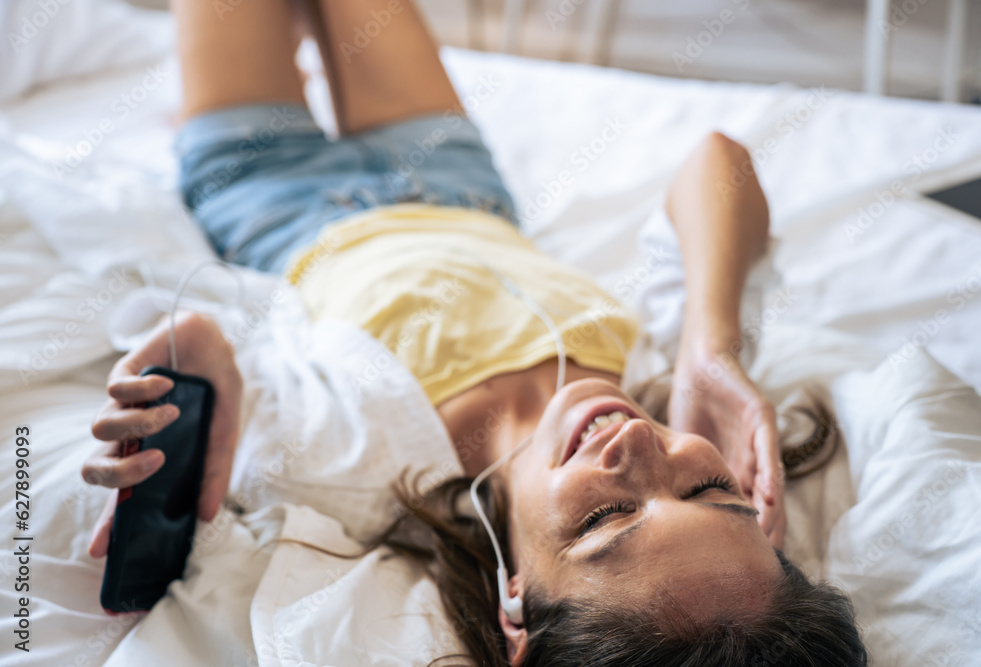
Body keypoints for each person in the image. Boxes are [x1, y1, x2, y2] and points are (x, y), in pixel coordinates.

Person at [82, 0, 868, 664]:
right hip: (457, 181)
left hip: (273, 195)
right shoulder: (669, 377)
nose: (640, 451)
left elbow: (227, 371)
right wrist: (712, 345)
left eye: (605, 520)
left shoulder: (364, 459)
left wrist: (204, 354)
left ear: (516, 600)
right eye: (708, 488)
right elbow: (719, 163)